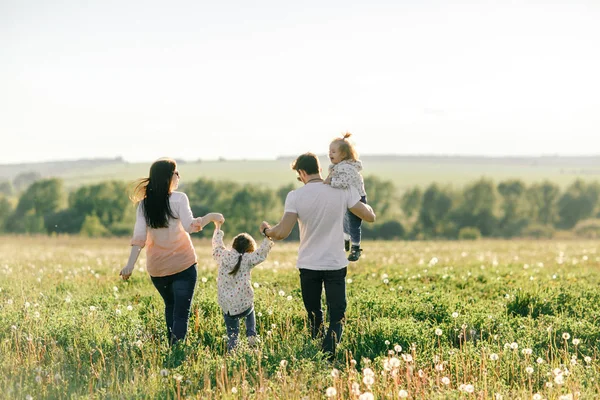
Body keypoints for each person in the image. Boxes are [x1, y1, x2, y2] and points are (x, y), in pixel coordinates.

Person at [260, 152, 375, 360]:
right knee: (337, 315)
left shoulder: (295, 196)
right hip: (335, 263)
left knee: (314, 315)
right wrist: (364, 202)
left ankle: (319, 356)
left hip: (309, 264)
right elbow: (369, 216)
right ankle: (329, 354)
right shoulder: (343, 191)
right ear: (320, 169)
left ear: (302, 172)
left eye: (299, 176)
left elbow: (282, 232)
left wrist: (266, 230)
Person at [119, 158, 224, 345]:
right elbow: (190, 227)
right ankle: (177, 351)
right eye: (176, 173)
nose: (179, 176)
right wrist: (210, 217)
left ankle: (171, 347)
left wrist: (130, 265)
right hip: (183, 264)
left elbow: (139, 238)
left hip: (157, 269)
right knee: (181, 314)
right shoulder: (179, 198)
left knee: (171, 307)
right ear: (168, 177)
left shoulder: (144, 205)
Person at [212, 221, 273, 352]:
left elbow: (217, 245)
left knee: (232, 334)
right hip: (244, 304)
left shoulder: (223, 255)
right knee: (250, 308)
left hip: (227, 306)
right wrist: (267, 236)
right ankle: (251, 334)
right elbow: (261, 253)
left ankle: (232, 350)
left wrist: (218, 228)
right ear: (249, 249)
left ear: (233, 245)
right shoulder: (247, 259)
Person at [324, 132, 367, 261]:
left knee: (353, 223)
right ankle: (346, 241)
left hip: (357, 199)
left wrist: (330, 182)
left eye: (333, 152)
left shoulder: (347, 168)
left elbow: (343, 183)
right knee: (344, 221)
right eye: (329, 151)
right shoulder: (338, 167)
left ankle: (356, 247)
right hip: (347, 198)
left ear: (343, 154)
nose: (330, 154)